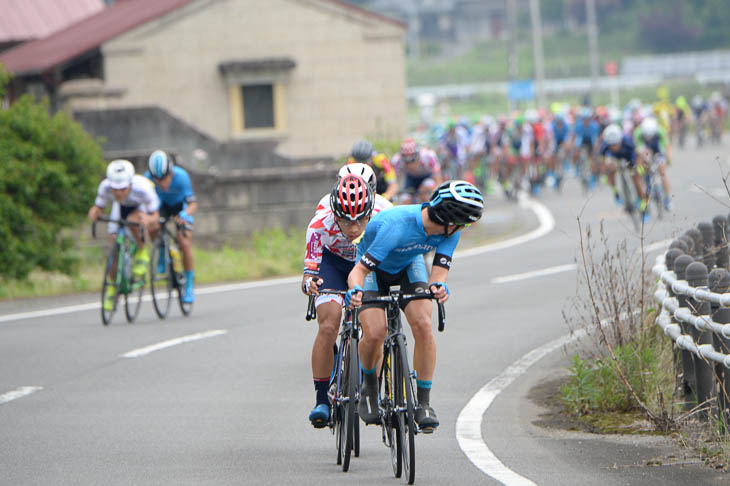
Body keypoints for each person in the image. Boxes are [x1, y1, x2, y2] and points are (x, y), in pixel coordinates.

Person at [345, 180, 484, 433]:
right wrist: (355, 290)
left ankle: (423, 404)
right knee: (376, 332)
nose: (463, 228)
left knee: (423, 324)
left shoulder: (450, 232)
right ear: (449, 220)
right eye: (463, 223)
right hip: (374, 271)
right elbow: (360, 270)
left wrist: (438, 287)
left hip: (409, 265)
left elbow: (439, 272)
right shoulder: (396, 227)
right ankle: (369, 385)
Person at [302, 173, 393, 428]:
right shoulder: (319, 223)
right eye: (346, 221)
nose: (354, 229)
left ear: (370, 211)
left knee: (375, 330)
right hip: (334, 265)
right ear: (335, 214)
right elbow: (309, 273)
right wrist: (310, 284)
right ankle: (322, 400)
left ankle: (369, 388)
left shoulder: (385, 213)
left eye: (361, 220)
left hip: (368, 265)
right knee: (328, 325)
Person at [88, 159, 160, 311]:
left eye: (122, 188)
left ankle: (141, 252)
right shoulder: (105, 187)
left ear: (131, 184)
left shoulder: (143, 188)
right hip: (120, 208)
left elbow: (155, 217)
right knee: (114, 244)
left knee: (133, 220)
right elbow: (99, 207)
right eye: (115, 189)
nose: (118, 192)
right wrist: (95, 212)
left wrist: (147, 219)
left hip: (139, 207)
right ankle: (112, 289)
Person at [145, 150, 198, 303]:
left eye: (165, 178)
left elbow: (192, 204)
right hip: (160, 207)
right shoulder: (147, 179)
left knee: (184, 242)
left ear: (171, 173)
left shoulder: (181, 177)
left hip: (180, 208)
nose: (161, 183)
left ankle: (188, 285)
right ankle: (161, 250)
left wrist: (185, 214)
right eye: (157, 179)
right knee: (153, 227)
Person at [599, 124, 647, 221]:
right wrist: (605, 175)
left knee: (636, 178)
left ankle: (643, 202)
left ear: (620, 140)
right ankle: (616, 191)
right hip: (615, 159)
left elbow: (638, 156)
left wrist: (639, 168)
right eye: (611, 145)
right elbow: (603, 161)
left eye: (616, 144)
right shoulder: (604, 146)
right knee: (611, 169)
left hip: (629, 157)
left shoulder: (628, 141)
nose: (614, 147)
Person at [633, 117, 672, 211]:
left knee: (662, 172)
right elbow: (639, 150)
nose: (649, 138)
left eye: (651, 136)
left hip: (658, 150)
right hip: (645, 151)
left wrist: (668, 159)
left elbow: (667, 147)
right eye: (647, 136)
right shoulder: (638, 133)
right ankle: (646, 182)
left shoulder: (660, 131)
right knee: (643, 164)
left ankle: (667, 198)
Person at [392, 138, 442, 204]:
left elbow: (438, 179)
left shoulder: (429, 156)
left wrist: (434, 192)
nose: (410, 165)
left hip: (427, 176)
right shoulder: (397, 161)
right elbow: (393, 183)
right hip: (411, 178)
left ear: (418, 155)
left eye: (413, 161)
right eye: (407, 162)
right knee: (406, 200)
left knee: (424, 193)